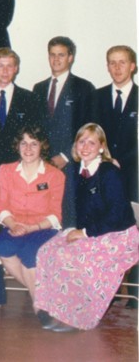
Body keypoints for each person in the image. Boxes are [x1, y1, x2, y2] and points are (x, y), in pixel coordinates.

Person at [34, 123, 139, 331]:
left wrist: (83, 233)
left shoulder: (109, 172)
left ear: (101, 147)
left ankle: (76, 317)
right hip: (88, 231)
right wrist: (69, 229)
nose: (85, 146)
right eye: (81, 141)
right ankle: (52, 309)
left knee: (73, 257)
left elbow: (117, 215)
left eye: (92, 142)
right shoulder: (73, 171)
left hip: (118, 235)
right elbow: (69, 207)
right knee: (46, 251)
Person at [0, 126, 64, 313]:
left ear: (42, 147)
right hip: (14, 225)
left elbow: (56, 214)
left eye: (34, 144)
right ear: (18, 146)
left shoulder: (55, 175)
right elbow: (1, 206)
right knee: (2, 248)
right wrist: (13, 225)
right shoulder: (5, 170)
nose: (28, 149)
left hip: (43, 228)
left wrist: (32, 227)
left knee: (30, 252)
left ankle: (39, 306)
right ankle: (44, 296)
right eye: (24, 143)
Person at [0, 48, 46, 203]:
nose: (5, 71)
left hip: (19, 166)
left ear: (16, 68)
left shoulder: (30, 99)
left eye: (9, 66)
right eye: (0, 66)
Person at [33, 36, 96, 169]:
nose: (56, 59)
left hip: (71, 162)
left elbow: (88, 128)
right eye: (52, 55)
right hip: (41, 162)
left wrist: (66, 156)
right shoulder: (38, 88)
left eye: (61, 55)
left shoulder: (83, 87)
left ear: (70, 58)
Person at [94, 45, 137, 203]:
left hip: (134, 175)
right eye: (112, 63)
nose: (117, 68)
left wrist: (121, 161)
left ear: (132, 66)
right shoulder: (96, 96)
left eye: (122, 62)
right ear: (107, 67)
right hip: (101, 172)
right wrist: (104, 159)